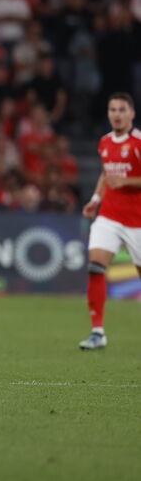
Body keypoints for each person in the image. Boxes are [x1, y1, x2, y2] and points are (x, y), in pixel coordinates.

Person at [79, 93, 141, 350]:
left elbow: (120, 178)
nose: (116, 114)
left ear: (131, 113)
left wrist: (126, 182)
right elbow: (107, 173)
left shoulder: (138, 142)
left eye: (121, 109)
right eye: (112, 109)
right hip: (110, 216)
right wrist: (96, 199)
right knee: (95, 266)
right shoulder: (104, 142)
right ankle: (97, 332)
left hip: (137, 221)